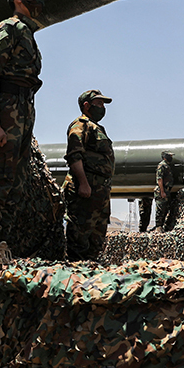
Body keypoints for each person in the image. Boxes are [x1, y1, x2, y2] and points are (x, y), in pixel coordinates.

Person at [0, 0, 48, 260]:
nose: (39, 1)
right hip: (7, 108)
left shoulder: (26, 32)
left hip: (23, 108)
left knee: (15, 182)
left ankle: (1, 245)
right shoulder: (7, 29)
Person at [63, 89, 115, 261]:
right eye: (99, 103)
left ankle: (91, 271)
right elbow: (74, 156)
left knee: (96, 240)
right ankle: (75, 272)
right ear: (87, 105)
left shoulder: (97, 128)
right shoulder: (80, 125)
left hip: (99, 192)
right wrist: (83, 183)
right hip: (86, 190)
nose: (102, 108)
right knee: (79, 239)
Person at [154, 151, 176, 231]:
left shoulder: (167, 165)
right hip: (161, 190)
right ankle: (158, 227)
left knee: (165, 209)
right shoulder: (162, 165)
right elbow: (159, 179)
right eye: (169, 156)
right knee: (160, 209)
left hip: (166, 190)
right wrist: (162, 191)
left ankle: (163, 226)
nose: (171, 158)